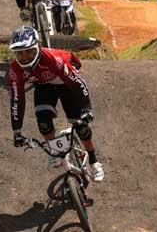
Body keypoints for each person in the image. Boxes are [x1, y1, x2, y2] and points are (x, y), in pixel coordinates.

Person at [8, 26, 104, 182]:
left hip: (67, 83)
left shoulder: (54, 59)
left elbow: (79, 84)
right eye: (19, 53)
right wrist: (17, 132)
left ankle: (94, 161)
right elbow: (16, 100)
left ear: (38, 47)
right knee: (43, 123)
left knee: (81, 126)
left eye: (28, 51)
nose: (24, 57)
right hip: (44, 85)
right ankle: (57, 150)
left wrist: (87, 109)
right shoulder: (15, 69)